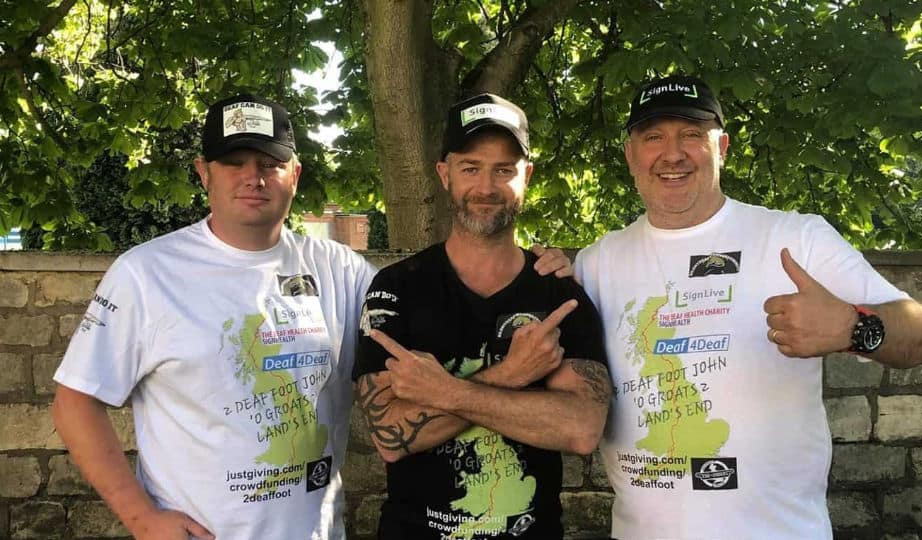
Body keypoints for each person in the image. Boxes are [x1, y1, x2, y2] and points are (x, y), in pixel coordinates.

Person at [50, 93, 577, 540]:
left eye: (269, 163)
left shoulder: (340, 271)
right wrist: (141, 518)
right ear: (203, 172)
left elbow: (439, 302)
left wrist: (537, 269)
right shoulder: (146, 273)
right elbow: (75, 402)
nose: (253, 177)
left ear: (294, 174)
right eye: (235, 162)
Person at [573, 75, 922, 540]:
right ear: (631, 154)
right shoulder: (596, 263)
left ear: (722, 147)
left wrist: (855, 326)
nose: (672, 154)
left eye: (691, 134)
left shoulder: (796, 238)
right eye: (653, 137)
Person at [353, 93, 613, 539]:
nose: (487, 187)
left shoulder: (558, 292)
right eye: (471, 168)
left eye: (504, 170)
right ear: (445, 174)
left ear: (526, 176)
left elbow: (581, 429)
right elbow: (390, 436)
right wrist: (511, 374)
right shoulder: (397, 287)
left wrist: (443, 392)